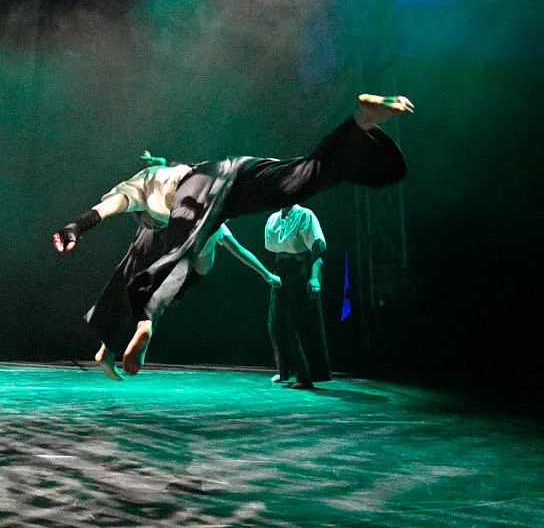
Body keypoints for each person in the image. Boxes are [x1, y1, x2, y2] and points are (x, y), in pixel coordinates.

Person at [51, 93, 413, 376]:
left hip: (200, 188)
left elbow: (110, 207)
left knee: (180, 252)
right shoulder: (180, 189)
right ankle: (360, 123)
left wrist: (76, 227)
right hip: (235, 171)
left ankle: (145, 324)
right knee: (299, 180)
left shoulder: (144, 189)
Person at [83, 151, 283, 380]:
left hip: (165, 236)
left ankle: (108, 349)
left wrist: (159, 167)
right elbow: (241, 252)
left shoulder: (197, 195)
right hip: (184, 262)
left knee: (138, 291)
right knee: (156, 298)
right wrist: (267, 274)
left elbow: (182, 176)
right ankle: (140, 332)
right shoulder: (216, 225)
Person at [264, 204, 331, 389]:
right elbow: (278, 252)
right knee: (275, 322)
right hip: (282, 270)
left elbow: (317, 249)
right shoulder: (273, 219)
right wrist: (275, 275)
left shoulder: (305, 215)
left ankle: (305, 376)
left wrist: (314, 277)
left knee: (297, 324)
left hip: (302, 268)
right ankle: (284, 370)